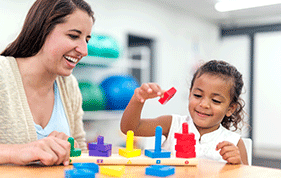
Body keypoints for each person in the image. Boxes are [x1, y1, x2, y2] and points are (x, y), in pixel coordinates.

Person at [0, 0, 94, 166]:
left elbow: (81, 151)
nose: (84, 51)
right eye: (73, 36)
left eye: (86, 40)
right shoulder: (2, 73)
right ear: (42, 30)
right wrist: (18, 152)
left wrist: (72, 150)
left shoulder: (69, 85)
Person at [120, 60, 248, 165]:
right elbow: (130, 128)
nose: (203, 104)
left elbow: (247, 174)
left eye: (215, 100)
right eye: (197, 95)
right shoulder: (171, 124)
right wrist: (138, 99)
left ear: (230, 109)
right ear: (189, 94)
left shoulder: (234, 142)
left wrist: (239, 164)